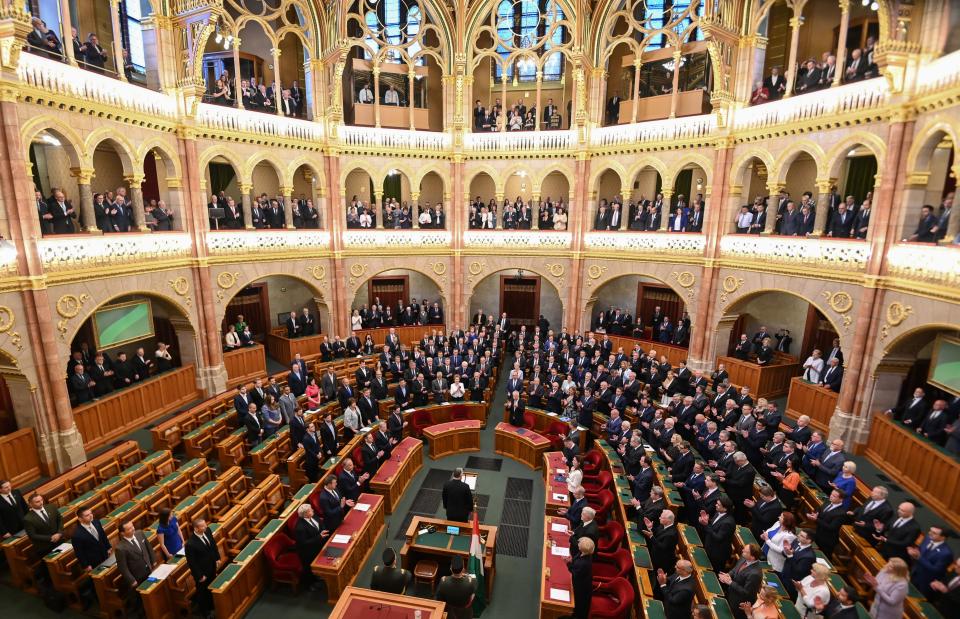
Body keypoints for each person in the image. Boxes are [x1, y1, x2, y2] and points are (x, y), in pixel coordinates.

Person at [185, 517, 220, 618]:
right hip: (202, 573)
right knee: (202, 593)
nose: (206, 527)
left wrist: (217, 558)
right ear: (196, 529)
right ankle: (205, 613)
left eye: (205, 524)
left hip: (212, 566)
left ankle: (212, 606)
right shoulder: (190, 544)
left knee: (211, 588)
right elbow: (192, 562)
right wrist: (200, 576)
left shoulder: (207, 531)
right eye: (203, 526)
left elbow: (213, 545)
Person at [909, 525, 954, 597]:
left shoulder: (946, 553)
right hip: (914, 573)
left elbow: (936, 570)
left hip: (926, 582)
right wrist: (914, 552)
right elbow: (920, 551)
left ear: (943, 537)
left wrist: (919, 557)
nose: (930, 533)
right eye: (930, 531)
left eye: (934, 533)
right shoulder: (927, 539)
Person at [719, 543, 762, 619]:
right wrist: (728, 575)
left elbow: (746, 593)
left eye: (745, 551)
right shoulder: (744, 557)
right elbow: (735, 569)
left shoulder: (755, 574)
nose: (742, 551)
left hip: (739, 602)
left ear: (752, 557)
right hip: (731, 593)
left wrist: (730, 582)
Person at [115, 521, 157, 587]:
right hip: (138, 576)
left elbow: (149, 548)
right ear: (122, 533)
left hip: (149, 568)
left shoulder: (140, 533)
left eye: (132, 526)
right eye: (129, 529)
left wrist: (154, 561)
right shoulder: (120, 548)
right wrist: (132, 580)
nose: (133, 529)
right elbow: (123, 567)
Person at [435, 555, 477, 619]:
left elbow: (438, 598)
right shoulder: (470, 582)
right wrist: (467, 576)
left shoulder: (443, 581)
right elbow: (473, 592)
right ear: (463, 569)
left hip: (449, 613)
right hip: (465, 614)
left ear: (451, 568)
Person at [566, 537, 594, 619]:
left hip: (581, 588)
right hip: (581, 580)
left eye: (579, 543)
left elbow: (575, 573)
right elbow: (575, 561)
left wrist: (567, 563)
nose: (577, 543)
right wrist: (571, 561)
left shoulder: (584, 563)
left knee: (579, 607)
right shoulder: (584, 553)